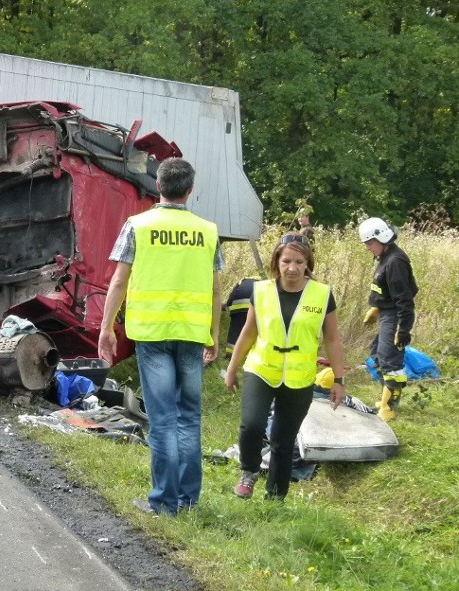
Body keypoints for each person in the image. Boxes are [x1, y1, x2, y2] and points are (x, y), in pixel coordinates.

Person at [98, 157, 222, 515]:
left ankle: (164, 502)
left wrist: (107, 328)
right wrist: (213, 333)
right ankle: (187, 499)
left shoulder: (138, 225)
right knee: (189, 417)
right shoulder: (208, 231)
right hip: (192, 334)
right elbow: (216, 289)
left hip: (151, 335)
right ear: (191, 190)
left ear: (158, 186)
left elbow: (119, 280)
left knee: (164, 418)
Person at [224, 233, 345, 500]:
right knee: (252, 425)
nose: (292, 268)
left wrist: (339, 379)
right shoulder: (262, 290)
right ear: (277, 261)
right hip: (262, 368)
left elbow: (333, 339)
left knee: (283, 438)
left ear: (307, 264)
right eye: (287, 261)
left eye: (299, 262)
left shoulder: (322, 294)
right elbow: (248, 331)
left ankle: (275, 497)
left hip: (299, 376)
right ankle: (249, 471)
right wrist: (232, 368)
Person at [358, 217, 418, 421]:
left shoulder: (395, 262)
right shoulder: (385, 256)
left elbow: (404, 299)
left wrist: (403, 330)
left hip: (395, 315)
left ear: (381, 238)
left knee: (390, 359)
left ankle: (390, 406)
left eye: (369, 243)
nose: (367, 248)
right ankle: (386, 396)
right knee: (377, 354)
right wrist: (376, 307)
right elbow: (386, 288)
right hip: (385, 312)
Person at [224, 275, 261, 356]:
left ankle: (230, 354)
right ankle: (249, 354)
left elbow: (233, 294)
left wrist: (227, 305)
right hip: (254, 308)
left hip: (237, 307)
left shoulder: (242, 281)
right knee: (253, 330)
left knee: (235, 328)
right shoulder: (263, 284)